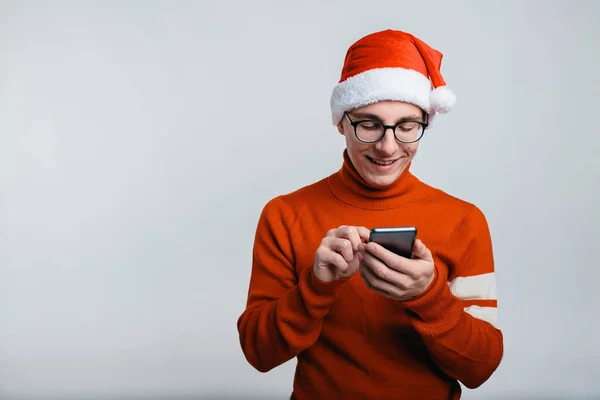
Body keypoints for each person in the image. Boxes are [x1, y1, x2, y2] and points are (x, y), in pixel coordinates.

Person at [237, 29, 503, 399]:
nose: (387, 145)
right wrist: (315, 286)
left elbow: (481, 367)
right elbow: (258, 353)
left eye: (407, 126)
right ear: (340, 122)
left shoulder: (464, 221)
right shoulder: (284, 214)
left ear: (425, 123)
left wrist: (429, 296)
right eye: (369, 124)